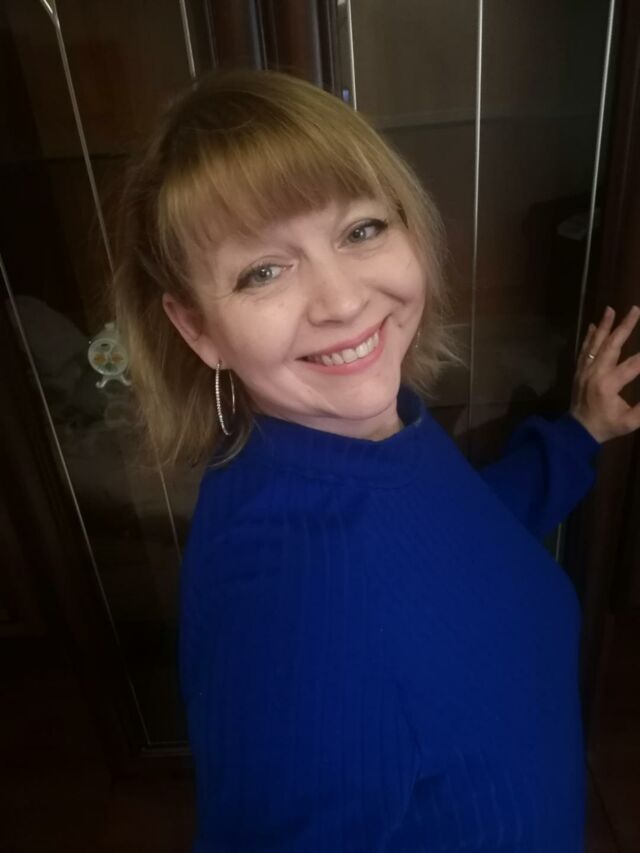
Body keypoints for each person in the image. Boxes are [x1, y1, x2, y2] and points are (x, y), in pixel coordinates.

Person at [111, 67, 640, 852]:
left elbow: (457, 539)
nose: (343, 300)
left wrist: (579, 433)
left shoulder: (368, 432)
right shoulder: (290, 613)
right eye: (263, 271)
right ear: (198, 329)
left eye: (360, 230)